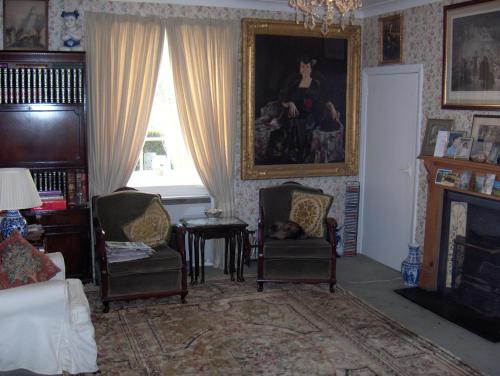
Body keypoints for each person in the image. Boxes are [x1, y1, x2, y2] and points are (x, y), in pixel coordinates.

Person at [278, 56, 342, 163]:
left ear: (311, 69)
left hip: (313, 114)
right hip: (296, 113)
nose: (305, 69)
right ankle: (295, 154)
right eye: (302, 67)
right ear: (299, 68)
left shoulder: (316, 83)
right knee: (294, 122)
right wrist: (290, 103)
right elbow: (282, 100)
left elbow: (324, 99)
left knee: (305, 123)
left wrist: (331, 106)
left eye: (307, 67)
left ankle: (302, 154)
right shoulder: (294, 83)